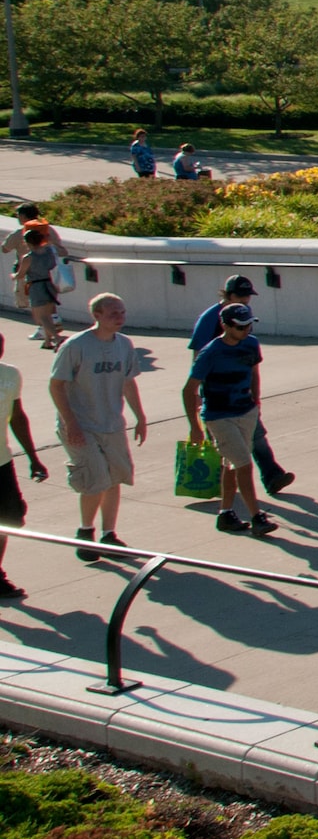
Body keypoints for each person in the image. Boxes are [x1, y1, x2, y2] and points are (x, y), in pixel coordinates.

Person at [49, 293, 147, 562]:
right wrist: (71, 423)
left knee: (115, 477)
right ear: (97, 316)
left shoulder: (124, 345)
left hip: (112, 423)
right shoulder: (75, 346)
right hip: (81, 425)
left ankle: (109, 535)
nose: (120, 318)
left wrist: (140, 416)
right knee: (95, 480)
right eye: (113, 313)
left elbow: (128, 382)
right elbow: (56, 385)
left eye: (122, 312)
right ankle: (85, 532)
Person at [187, 275, 295, 498]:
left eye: (248, 295)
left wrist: (255, 395)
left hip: (241, 394)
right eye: (240, 295)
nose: (245, 300)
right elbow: (198, 357)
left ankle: (271, 475)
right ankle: (224, 487)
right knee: (227, 446)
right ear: (227, 295)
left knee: (256, 436)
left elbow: (251, 360)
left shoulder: (244, 318)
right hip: (217, 397)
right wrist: (198, 394)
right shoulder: (209, 319)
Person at [182, 304, 277, 537]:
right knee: (244, 463)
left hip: (245, 412)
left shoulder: (251, 343)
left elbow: (254, 373)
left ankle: (225, 514)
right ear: (225, 326)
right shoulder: (211, 352)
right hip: (219, 417)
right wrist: (195, 427)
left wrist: (256, 401)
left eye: (249, 325)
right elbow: (189, 389)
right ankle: (257, 516)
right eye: (240, 326)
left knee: (232, 464)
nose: (246, 329)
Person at [0, 333, 54, 599]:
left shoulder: (10, 375)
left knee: (8, 520)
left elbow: (17, 417)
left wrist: (33, 458)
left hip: (2, 462)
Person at [8, 203, 71, 350]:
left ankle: (56, 338)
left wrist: (14, 275)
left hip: (36, 286)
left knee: (41, 317)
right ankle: (47, 341)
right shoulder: (49, 251)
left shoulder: (29, 257)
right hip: (50, 285)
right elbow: (61, 254)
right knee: (49, 313)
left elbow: (21, 275)